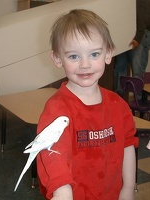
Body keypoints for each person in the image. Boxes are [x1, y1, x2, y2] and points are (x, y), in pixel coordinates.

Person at [37, 9, 138, 200]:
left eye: (94, 54)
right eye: (74, 56)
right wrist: (63, 191)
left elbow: (127, 145)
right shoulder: (57, 109)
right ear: (58, 58)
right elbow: (53, 154)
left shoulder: (118, 105)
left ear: (108, 54)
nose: (85, 64)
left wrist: (128, 188)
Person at [114, 0, 150, 96]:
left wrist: (138, 37)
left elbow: (143, 14)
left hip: (139, 35)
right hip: (125, 35)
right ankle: (118, 104)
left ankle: (137, 104)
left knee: (137, 73)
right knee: (119, 70)